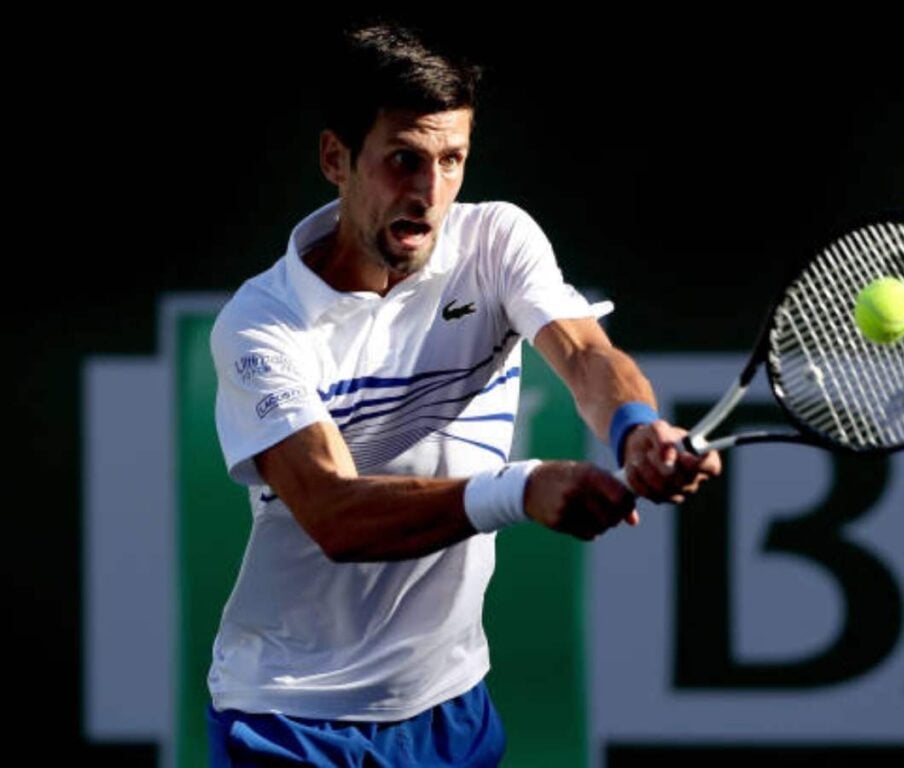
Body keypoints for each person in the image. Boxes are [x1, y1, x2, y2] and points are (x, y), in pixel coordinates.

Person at [206, 20, 721, 767]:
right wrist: (519, 490)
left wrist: (636, 429)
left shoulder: (495, 241)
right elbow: (333, 511)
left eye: (452, 161)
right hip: (293, 714)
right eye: (404, 161)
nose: (430, 193)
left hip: (451, 706)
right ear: (335, 159)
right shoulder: (262, 324)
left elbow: (582, 353)